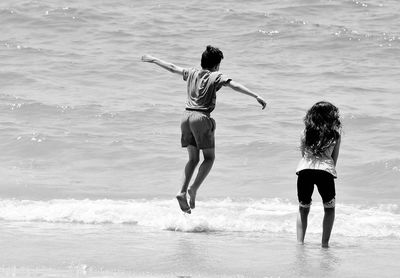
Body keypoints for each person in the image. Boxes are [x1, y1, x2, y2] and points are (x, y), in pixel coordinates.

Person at [141, 45, 267, 214]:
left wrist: (154, 59)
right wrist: (255, 95)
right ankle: (193, 189)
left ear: (202, 62)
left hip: (186, 117)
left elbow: (172, 68)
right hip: (201, 118)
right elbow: (234, 85)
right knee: (209, 158)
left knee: (193, 159)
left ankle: (181, 191)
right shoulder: (216, 76)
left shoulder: (192, 73)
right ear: (216, 65)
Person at [295, 101, 342, 248]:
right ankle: (324, 244)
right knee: (329, 209)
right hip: (325, 172)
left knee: (303, 208)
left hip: (305, 170)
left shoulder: (305, 132)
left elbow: (303, 155)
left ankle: (300, 243)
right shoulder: (335, 135)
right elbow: (334, 159)